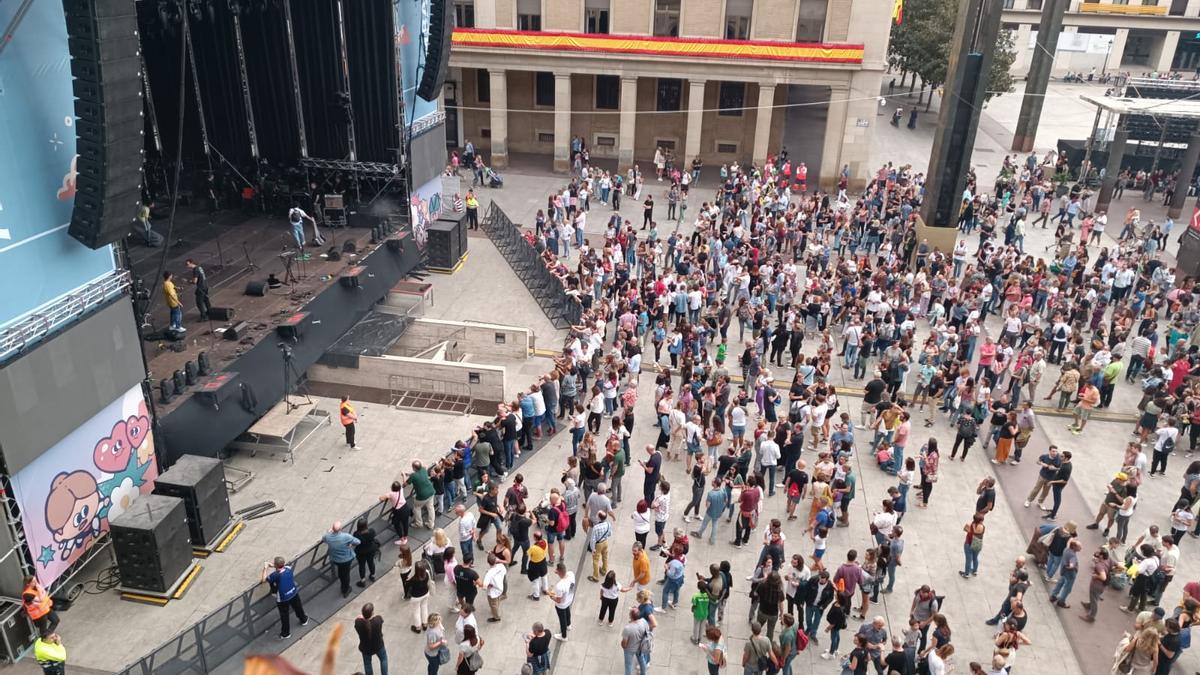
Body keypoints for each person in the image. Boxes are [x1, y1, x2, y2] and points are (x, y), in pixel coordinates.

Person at [262, 557, 308, 639]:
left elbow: (264, 580)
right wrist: (273, 565)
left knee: (284, 615)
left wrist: (265, 568)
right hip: (293, 592)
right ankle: (303, 620)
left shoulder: (275, 575)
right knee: (298, 607)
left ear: (276, 565)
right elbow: (281, 566)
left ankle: (286, 633)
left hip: (283, 598)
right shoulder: (289, 568)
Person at [323, 521, 360, 597]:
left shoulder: (328, 536)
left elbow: (324, 539)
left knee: (341, 572)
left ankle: (342, 580)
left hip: (335, 559)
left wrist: (329, 532)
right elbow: (358, 542)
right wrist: (350, 544)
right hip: (346, 560)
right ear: (341, 529)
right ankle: (345, 589)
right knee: (346, 574)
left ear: (332, 529)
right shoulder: (346, 537)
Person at [355, 603, 388, 675]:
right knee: (383, 659)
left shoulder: (358, 623)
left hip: (365, 648)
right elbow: (378, 618)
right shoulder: (377, 620)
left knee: (367, 664)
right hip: (378, 646)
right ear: (372, 612)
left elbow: (357, 621)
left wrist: (360, 618)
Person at [548, 561, 576, 641]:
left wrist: (551, 596)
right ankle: (569, 624)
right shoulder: (571, 574)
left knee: (562, 619)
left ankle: (564, 636)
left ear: (559, 571)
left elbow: (558, 600)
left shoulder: (560, 586)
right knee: (568, 612)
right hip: (569, 599)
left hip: (561, 605)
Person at [621, 607, 651, 675]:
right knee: (642, 661)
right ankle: (643, 673)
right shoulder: (644, 621)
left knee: (628, 666)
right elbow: (647, 631)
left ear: (631, 616)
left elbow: (624, 644)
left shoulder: (627, 628)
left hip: (629, 649)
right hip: (640, 647)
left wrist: (623, 646)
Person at [354, 518, 380, 586]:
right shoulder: (371, 531)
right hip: (371, 549)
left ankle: (363, 581)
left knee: (362, 565)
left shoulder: (356, 534)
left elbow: (355, 542)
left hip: (361, 552)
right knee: (371, 562)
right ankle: (372, 576)